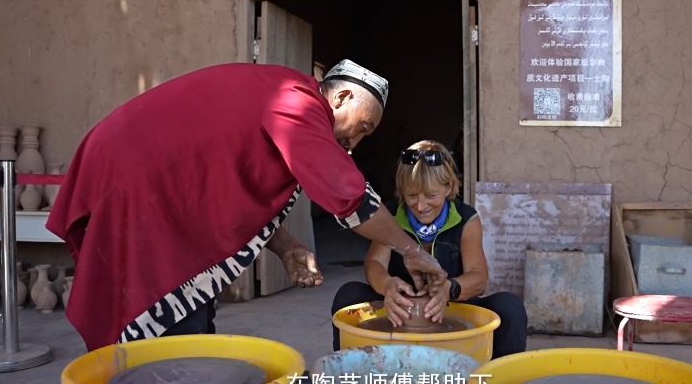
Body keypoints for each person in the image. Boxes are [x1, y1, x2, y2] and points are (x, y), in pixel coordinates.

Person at [46, 60, 448, 351]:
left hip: (147, 180)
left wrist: (286, 245)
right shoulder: (297, 100)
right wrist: (411, 251)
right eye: (361, 128)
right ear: (341, 96)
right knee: (165, 313)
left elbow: (227, 187)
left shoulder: (282, 91)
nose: (353, 144)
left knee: (188, 310)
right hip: (135, 179)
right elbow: (349, 196)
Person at [330, 140, 528, 359]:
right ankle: (347, 375)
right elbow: (375, 264)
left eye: (431, 196)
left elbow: (479, 277)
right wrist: (386, 286)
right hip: (399, 312)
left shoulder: (466, 218)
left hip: (451, 308)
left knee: (509, 307)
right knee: (348, 295)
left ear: (449, 187)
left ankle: (498, 381)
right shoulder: (391, 214)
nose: (421, 206)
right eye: (412, 195)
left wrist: (449, 288)